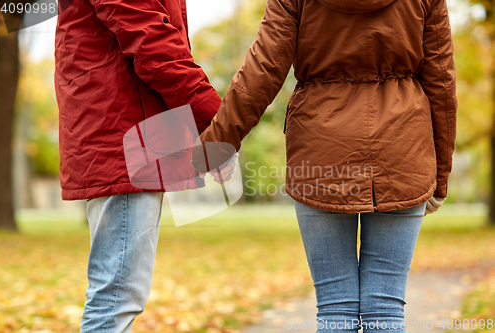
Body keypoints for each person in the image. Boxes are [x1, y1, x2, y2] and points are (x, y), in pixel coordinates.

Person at [193, 0, 457, 331]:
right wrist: (440, 176)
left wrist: (214, 148)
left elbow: (262, 70)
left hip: (321, 151)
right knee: (386, 308)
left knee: (335, 307)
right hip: (402, 151)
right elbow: (442, 83)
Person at [54, 0, 234, 331]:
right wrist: (217, 120)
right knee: (117, 296)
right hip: (125, 131)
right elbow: (151, 40)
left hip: (126, 125)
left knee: (118, 292)